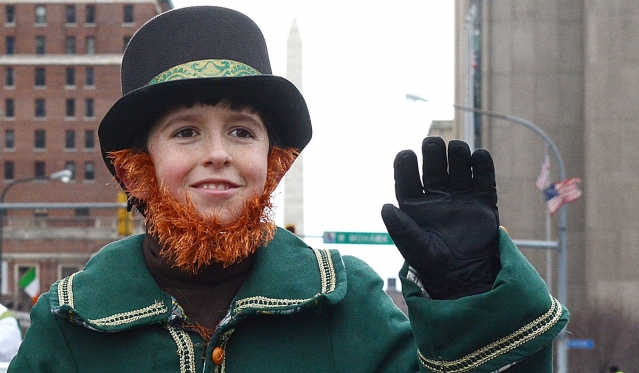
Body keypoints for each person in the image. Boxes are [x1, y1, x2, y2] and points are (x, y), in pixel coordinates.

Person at [8, 6, 568, 373]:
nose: (218, 153)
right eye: (185, 132)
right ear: (136, 171)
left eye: (242, 131)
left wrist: (472, 297)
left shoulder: (347, 305)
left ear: (271, 165)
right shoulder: (69, 324)